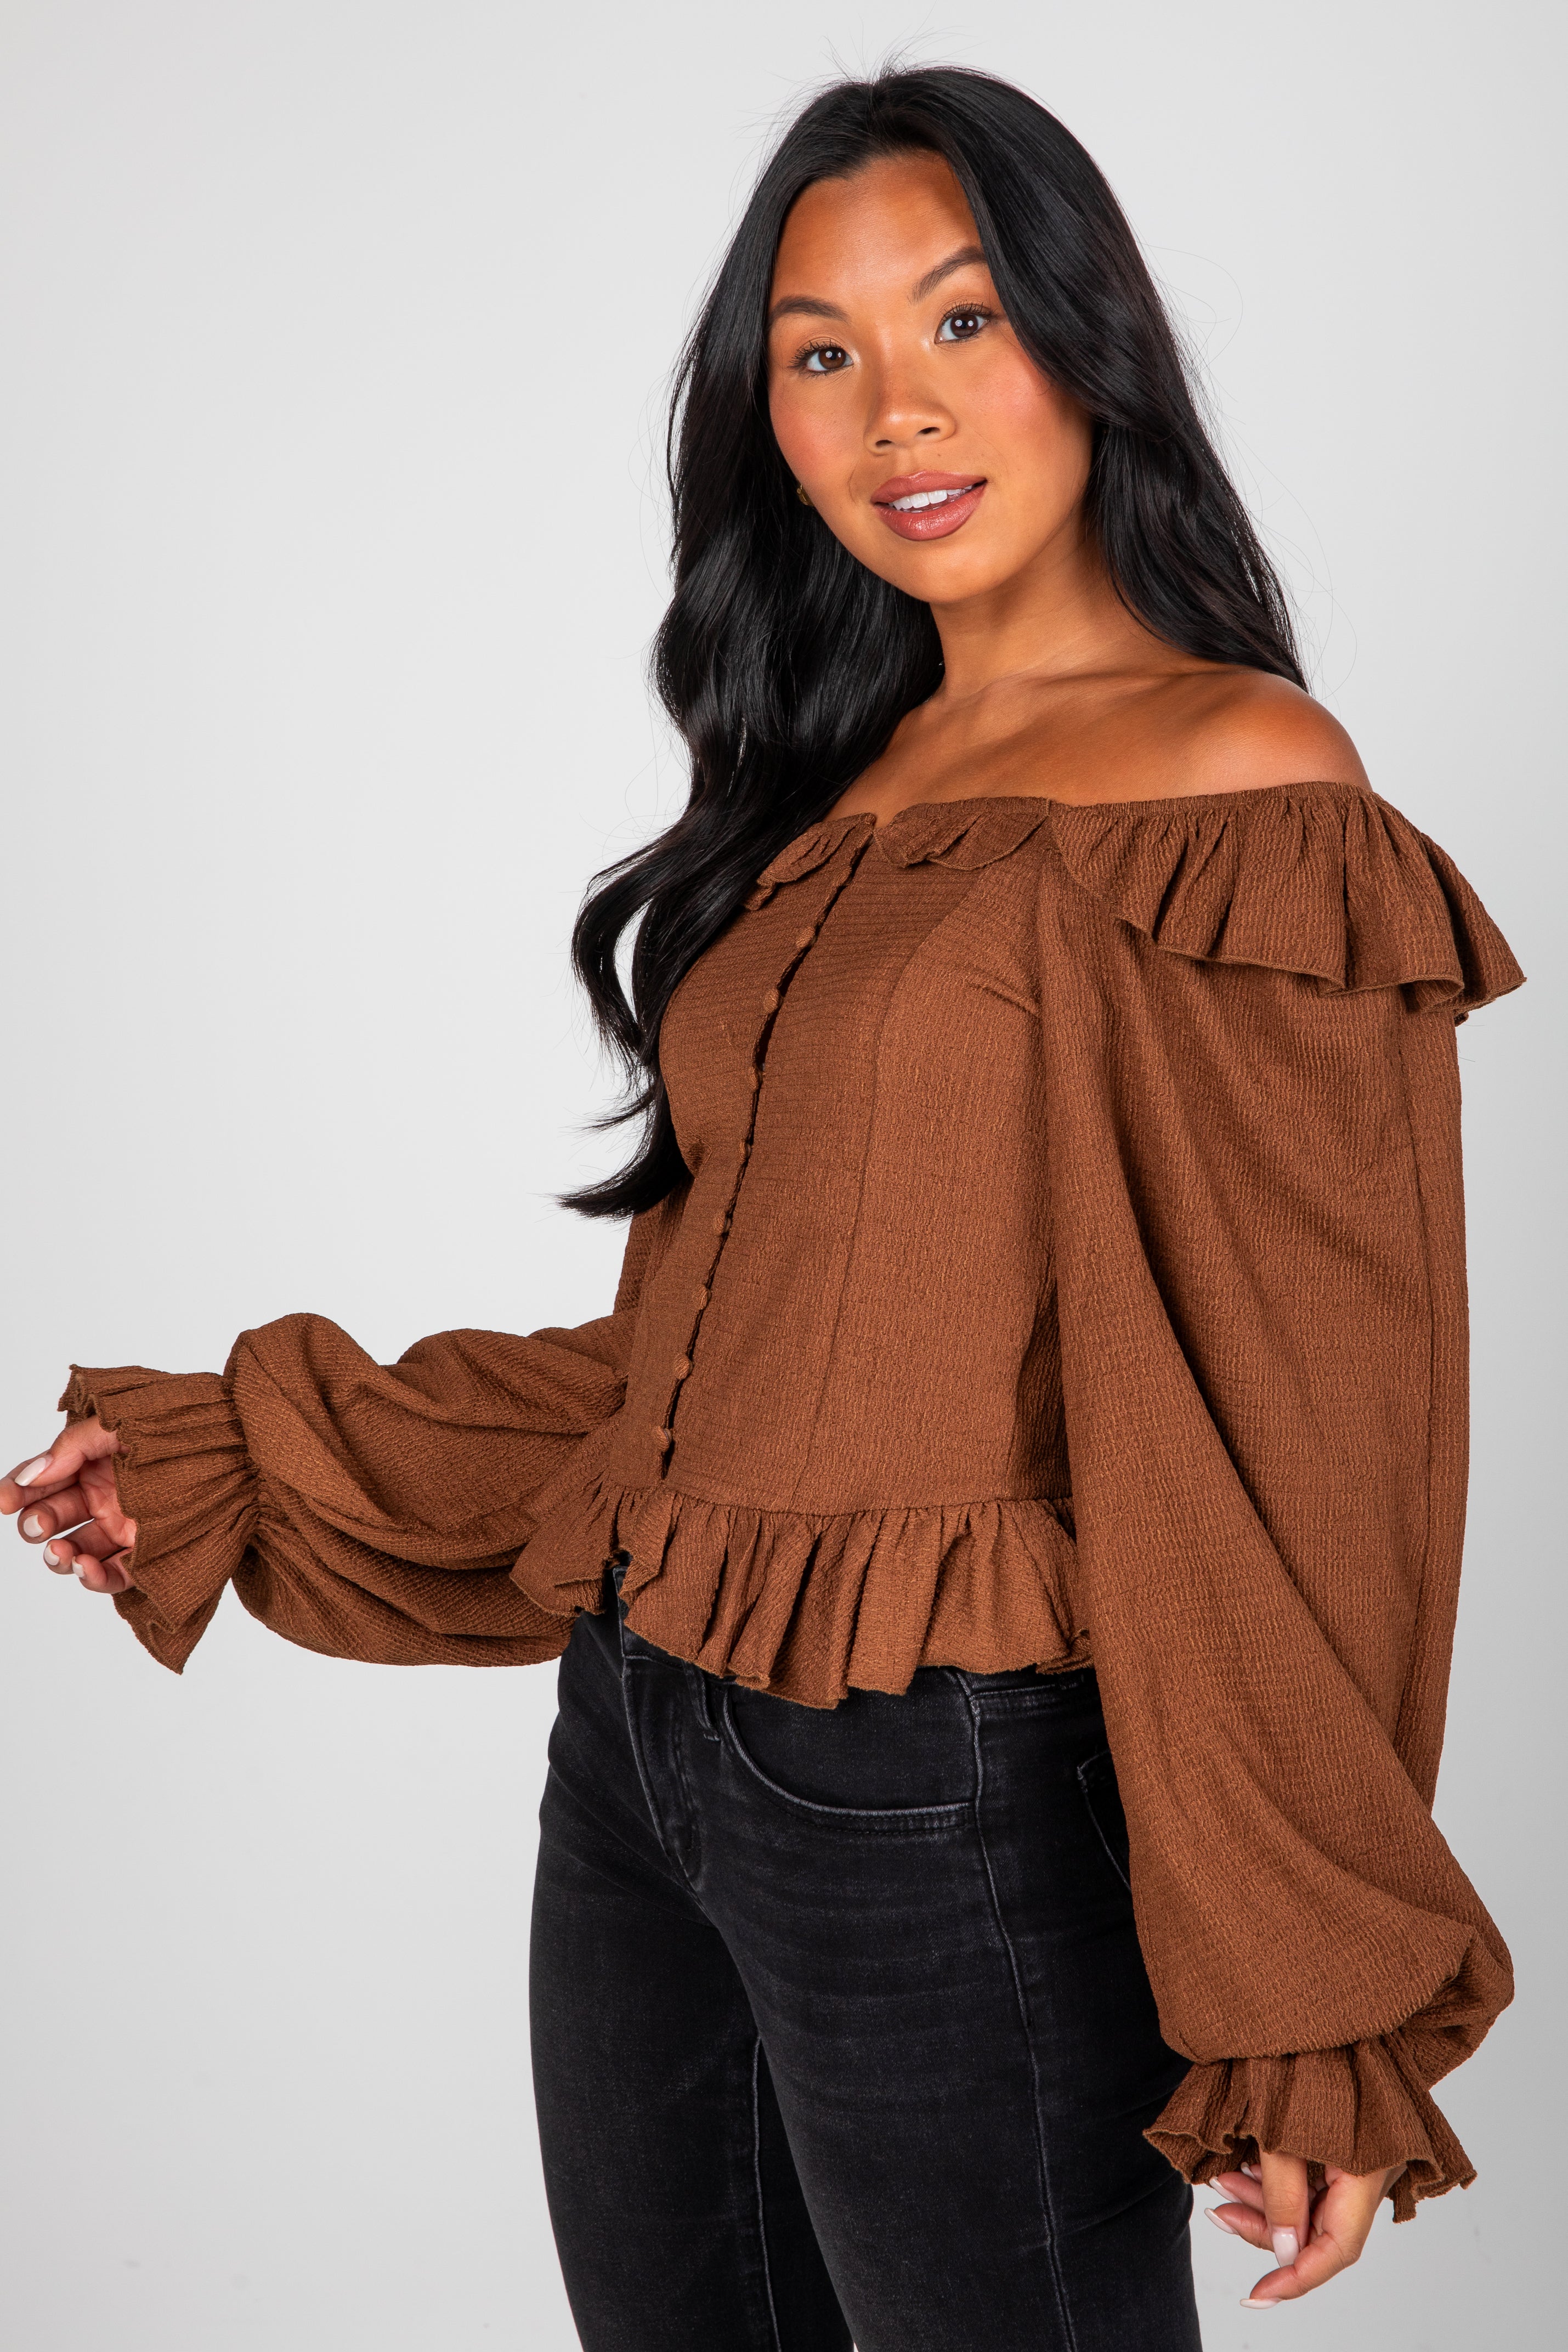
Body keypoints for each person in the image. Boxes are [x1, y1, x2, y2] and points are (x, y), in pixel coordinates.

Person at [2, 66, 1521, 2352]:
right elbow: (699, 1375)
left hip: (950, 1787)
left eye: (960, 320)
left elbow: (1310, 1432)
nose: (890, 407)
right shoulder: (824, 787)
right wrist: (255, 1445)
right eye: (816, 351)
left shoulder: (1242, 787)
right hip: (641, 1749)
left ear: (1089, 340)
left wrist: (1303, 1988)